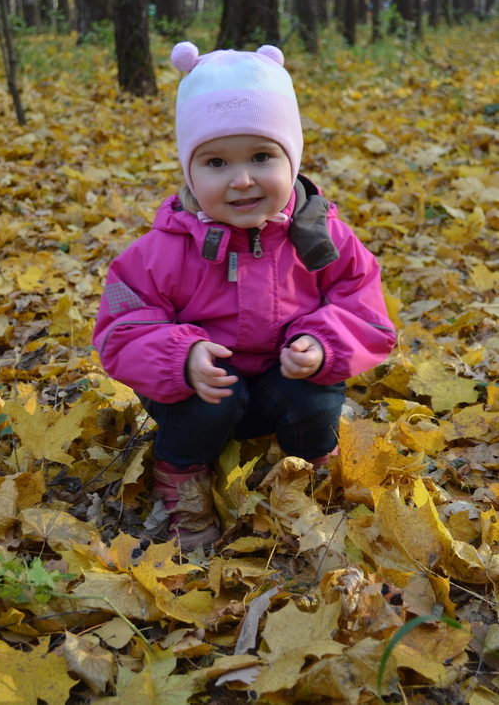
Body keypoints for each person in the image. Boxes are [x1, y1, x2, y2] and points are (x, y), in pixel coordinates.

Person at [93, 42, 396, 549]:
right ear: (191, 170)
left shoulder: (320, 238)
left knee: (317, 391)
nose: (242, 180)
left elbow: (364, 307)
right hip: (205, 388)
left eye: (262, 156)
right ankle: (182, 475)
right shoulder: (162, 250)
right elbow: (120, 331)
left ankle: (305, 468)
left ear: (292, 158)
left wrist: (323, 344)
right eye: (215, 162)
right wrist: (180, 356)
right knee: (211, 398)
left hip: (282, 378)